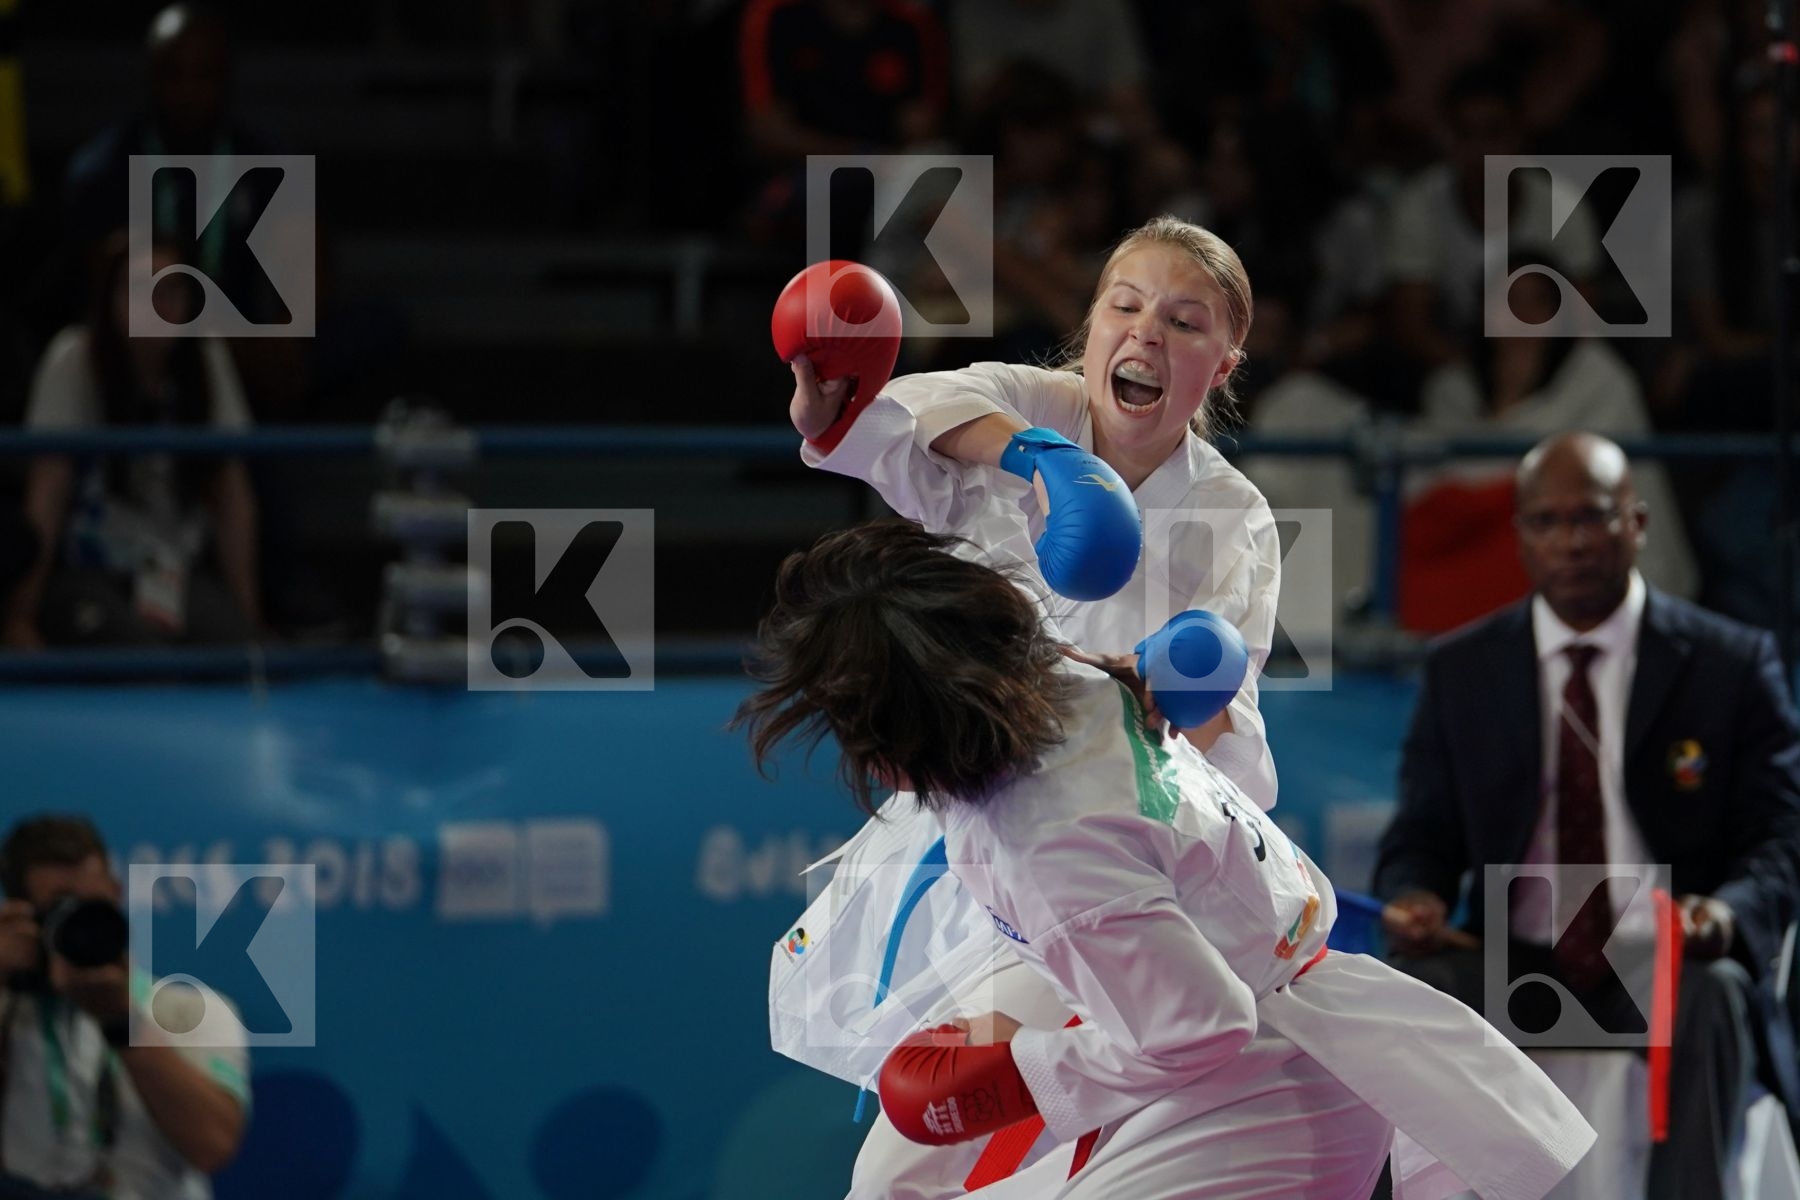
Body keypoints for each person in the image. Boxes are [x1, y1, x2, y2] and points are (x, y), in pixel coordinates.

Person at [743, 518, 1594, 1199]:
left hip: (1260, 1082)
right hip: (1249, 1024)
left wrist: (1016, 1078)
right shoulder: (1064, 679)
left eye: (858, 733)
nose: (857, 758)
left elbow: (1205, 1023)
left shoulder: (1053, 846)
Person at [782, 215, 1283, 1196]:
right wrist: (1044, 458)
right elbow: (877, 423)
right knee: (928, 1173)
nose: (1145, 335)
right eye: (1124, 307)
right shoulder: (1022, 398)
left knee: (909, 1177)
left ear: (1222, 367)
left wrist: (1159, 685)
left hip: (1115, 860)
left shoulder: (1234, 516)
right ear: (1090, 325)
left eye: (1184, 324)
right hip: (981, 844)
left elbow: (1231, 733)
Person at [1374, 432, 1800, 1199]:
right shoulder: (1462, 668)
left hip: (1666, 955)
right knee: (1412, 987)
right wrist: (1416, 893)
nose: (1570, 541)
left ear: (1636, 523)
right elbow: (1421, 836)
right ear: (1521, 536)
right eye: (1547, 522)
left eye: (1593, 518)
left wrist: (1726, 915)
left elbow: (1782, 838)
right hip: (1513, 953)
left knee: (1716, 996)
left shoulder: (1730, 664)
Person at [3, 233, 263, 650]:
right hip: (90, 570)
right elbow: (47, 493)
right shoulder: (75, 359)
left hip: (176, 570)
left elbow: (231, 494)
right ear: (111, 301)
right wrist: (19, 616)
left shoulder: (205, 358)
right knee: (142, 660)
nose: (161, 304)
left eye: (174, 288)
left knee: (230, 648)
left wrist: (251, 620)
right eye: (143, 289)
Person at [0, 814, 249, 1198]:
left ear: (115, 894)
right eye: (57, 912)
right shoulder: (7, 1012)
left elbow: (212, 1146)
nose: (78, 924)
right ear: (21, 916)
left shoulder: (192, 1010)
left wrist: (122, 1021)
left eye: (90, 907)